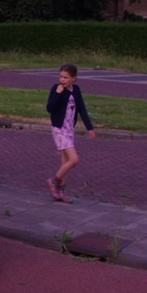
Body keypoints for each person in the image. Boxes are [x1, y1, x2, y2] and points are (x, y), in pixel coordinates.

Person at [46, 63, 96, 204]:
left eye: (66, 77)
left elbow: (82, 109)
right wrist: (58, 93)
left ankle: (60, 192)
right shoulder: (56, 89)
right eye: (61, 77)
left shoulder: (76, 90)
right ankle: (54, 181)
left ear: (73, 78)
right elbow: (49, 108)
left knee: (65, 162)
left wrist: (89, 128)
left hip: (69, 130)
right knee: (74, 160)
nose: (62, 80)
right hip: (59, 129)